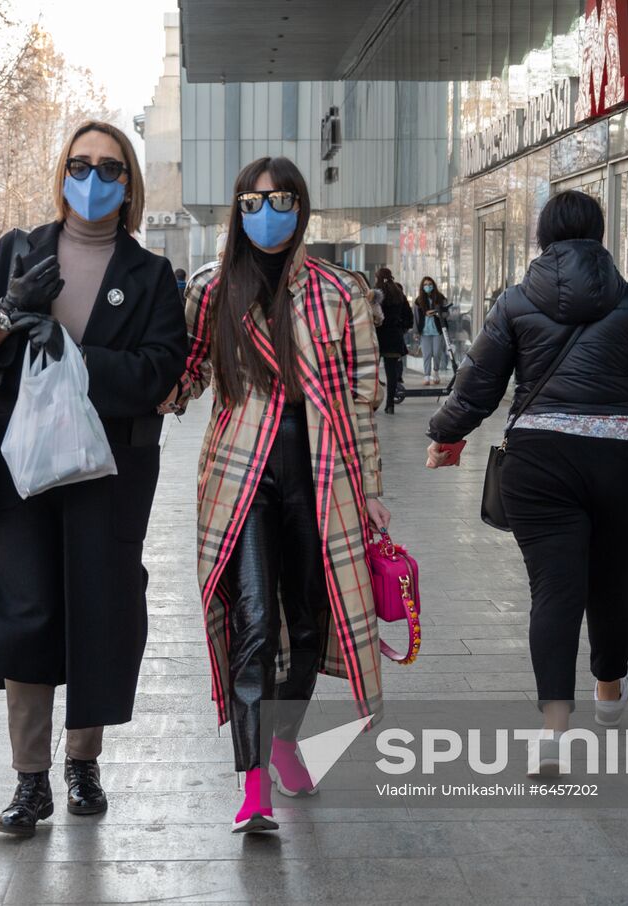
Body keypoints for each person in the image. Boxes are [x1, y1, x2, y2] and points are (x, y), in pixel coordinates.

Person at [0, 120, 186, 837]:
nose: (94, 177)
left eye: (110, 167)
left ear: (129, 183)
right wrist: (11, 313)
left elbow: (158, 370)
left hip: (110, 474)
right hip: (23, 469)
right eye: (81, 164)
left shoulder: (150, 276)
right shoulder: (19, 251)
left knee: (101, 613)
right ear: (62, 173)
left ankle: (83, 760)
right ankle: (30, 781)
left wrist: (75, 358)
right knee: (26, 612)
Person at [425, 191, 628, 774]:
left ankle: (554, 732)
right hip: (624, 466)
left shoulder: (516, 302)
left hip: (540, 463)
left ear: (543, 238)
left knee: (554, 591)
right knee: (609, 583)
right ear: (600, 236)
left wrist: (446, 435)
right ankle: (608, 688)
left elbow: (479, 384)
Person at [165, 156, 389, 834]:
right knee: (255, 622)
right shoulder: (212, 291)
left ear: (303, 207)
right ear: (237, 207)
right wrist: (141, 383)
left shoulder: (338, 290)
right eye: (256, 200)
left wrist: (371, 489)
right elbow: (189, 373)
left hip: (324, 476)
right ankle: (256, 781)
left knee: (312, 621)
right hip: (241, 477)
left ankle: (287, 739)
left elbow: (363, 394)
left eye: (284, 199)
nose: (269, 211)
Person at [375, 266, 412, 412]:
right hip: (394, 337)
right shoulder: (399, 294)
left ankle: (372, 403)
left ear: (377, 277)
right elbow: (409, 317)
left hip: (377, 336)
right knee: (391, 373)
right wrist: (401, 328)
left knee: (373, 372)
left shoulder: (375, 293)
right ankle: (390, 404)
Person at [414, 276, 450, 385]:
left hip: (438, 330)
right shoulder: (418, 300)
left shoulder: (440, 298)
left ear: (433, 285)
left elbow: (446, 313)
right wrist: (416, 332)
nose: (428, 286)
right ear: (422, 287)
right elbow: (415, 317)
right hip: (424, 331)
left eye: (430, 284)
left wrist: (437, 313)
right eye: (425, 285)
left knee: (437, 352)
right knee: (427, 354)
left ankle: (436, 372)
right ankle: (426, 376)